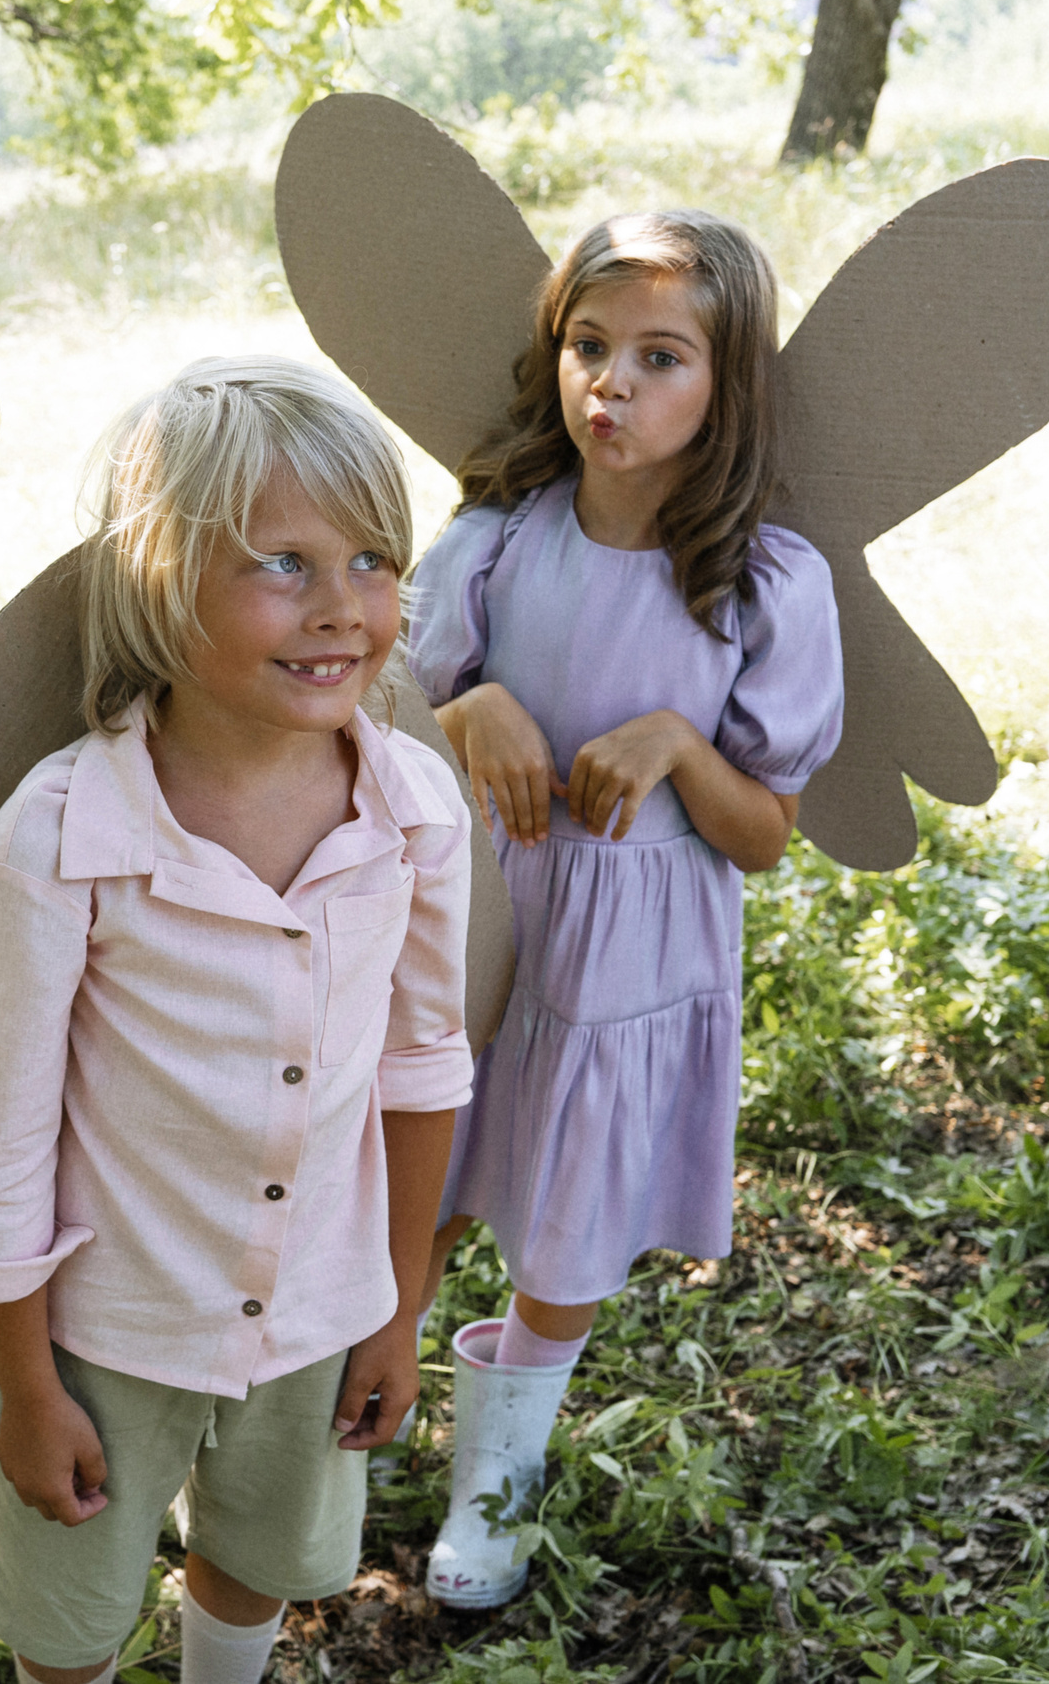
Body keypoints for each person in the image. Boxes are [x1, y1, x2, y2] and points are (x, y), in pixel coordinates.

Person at [0, 356, 478, 1684]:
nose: (344, 606)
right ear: (158, 584)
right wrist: (25, 1380)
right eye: (281, 565)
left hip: (322, 1306)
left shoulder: (412, 808)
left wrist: (398, 1307)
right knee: (69, 1618)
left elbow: (420, 1067)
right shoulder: (60, 840)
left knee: (263, 1555)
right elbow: (3, 1137)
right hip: (110, 1324)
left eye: (370, 559)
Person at [406, 210, 845, 1607]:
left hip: (630, 948)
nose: (615, 382)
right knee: (415, 1170)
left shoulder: (767, 581)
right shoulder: (492, 538)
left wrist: (676, 745)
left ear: (728, 385)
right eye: (590, 347)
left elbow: (765, 832)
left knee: (566, 1219)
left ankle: (496, 1485)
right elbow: (381, 715)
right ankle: (336, 1426)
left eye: (663, 356)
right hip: (478, 909)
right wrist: (468, 706)